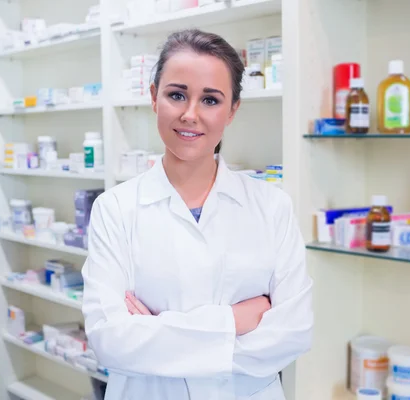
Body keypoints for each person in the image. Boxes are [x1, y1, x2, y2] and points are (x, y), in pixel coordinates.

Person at [81, 29, 313, 400]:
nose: (191, 114)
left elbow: (294, 332)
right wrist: (234, 322)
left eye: (210, 99)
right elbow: (110, 341)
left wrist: (158, 333)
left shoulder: (272, 206)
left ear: (233, 109)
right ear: (154, 97)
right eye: (177, 95)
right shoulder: (116, 209)